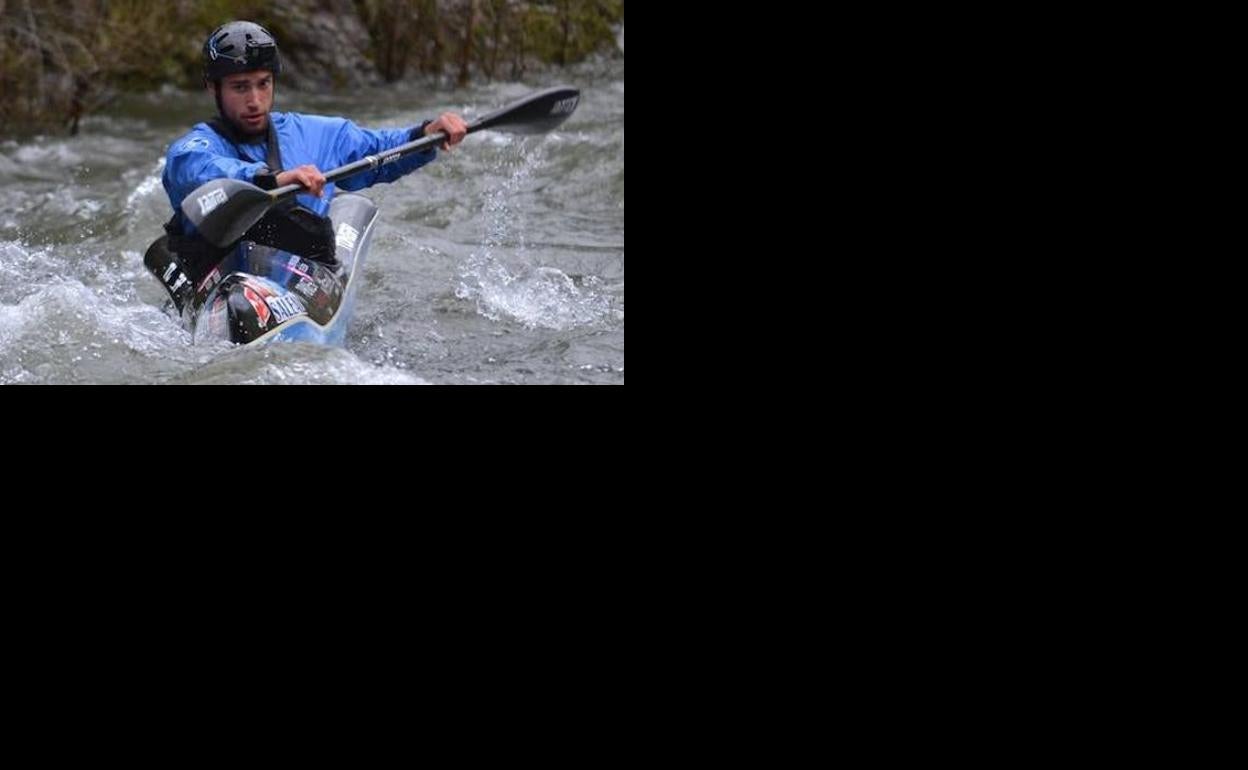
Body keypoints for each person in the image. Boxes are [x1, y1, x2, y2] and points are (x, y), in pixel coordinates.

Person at [146, 20, 467, 314]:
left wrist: (426, 134)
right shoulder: (196, 147)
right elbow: (194, 169)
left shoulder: (313, 134)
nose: (255, 100)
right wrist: (271, 180)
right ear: (213, 89)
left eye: (263, 83)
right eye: (240, 87)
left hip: (295, 280)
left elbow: (378, 150)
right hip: (225, 281)